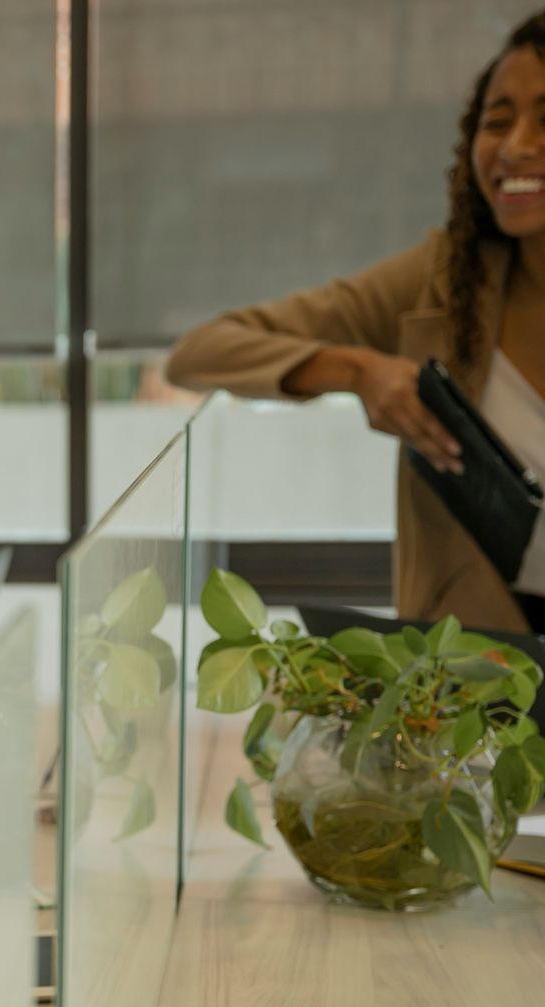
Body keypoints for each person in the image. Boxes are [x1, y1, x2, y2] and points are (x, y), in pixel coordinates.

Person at [166, 9, 545, 633]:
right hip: (475, 680)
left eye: (544, 120)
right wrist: (357, 369)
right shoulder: (446, 280)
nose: (514, 146)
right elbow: (199, 352)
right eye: (497, 121)